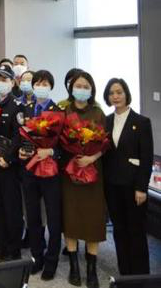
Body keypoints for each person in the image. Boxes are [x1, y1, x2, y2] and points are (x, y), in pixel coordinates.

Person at [102, 78, 153, 276]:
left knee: (136, 232)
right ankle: (125, 275)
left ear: (126, 94)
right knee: (119, 230)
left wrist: (142, 188)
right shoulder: (106, 122)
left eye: (119, 92)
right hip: (112, 185)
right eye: (111, 93)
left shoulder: (141, 122)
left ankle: (141, 277)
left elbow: (146, 158)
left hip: (133, 187)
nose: (115, 96)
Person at [61, 71, 106, 288]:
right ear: (71, 88)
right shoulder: (64, 111)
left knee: (93, 218)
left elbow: (105, 143)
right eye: (78, 86)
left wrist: (91, 157)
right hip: (70, 171)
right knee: (71, 216)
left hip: (93, 171)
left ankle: (91, 269)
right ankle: (74, 267)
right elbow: (57, 140)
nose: (82, 89)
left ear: (92, 89)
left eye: (86, 86)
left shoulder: (98, 112)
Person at [17, 69, 62, 280]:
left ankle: (51, 261)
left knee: (53, 218)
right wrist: (21, 150)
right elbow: (20, 136)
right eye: (37, 83)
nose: (40, 87)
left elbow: (65, 145)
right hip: (30, 170)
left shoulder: (58, 111)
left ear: (51, 86)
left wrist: (51, 151)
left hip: (51, 172)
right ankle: (37, 257)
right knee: (32, 216)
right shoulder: (26, 108)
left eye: (45, 84)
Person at [0, 66, 23, 262]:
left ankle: (13, 249)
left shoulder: (16, 106)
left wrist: (8, 159)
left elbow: (19, 135)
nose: (0, 83)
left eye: (4, 80)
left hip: (8, 166)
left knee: (11, 209)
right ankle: (1, 245)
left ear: (12, 83)